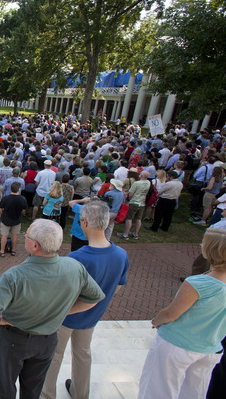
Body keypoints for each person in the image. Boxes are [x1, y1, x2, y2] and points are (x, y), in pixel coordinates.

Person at [0, 219, 105, 399]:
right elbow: (95, 298)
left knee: (3, 389)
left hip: (13, 340)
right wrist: (61, 311)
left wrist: (0, 321)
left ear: (35, 245)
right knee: (33, 390)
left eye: (27, 236)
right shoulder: (74, 268)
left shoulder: (14, 276)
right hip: (47, 342)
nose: (25, 238)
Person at [41, 200, 129, 399]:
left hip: (65, 318)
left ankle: (47, 395)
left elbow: (61, 293)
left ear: (85, 223)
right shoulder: (121, 255)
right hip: (92, 318)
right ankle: (81, 394)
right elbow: (118, 286)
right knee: (83, 355)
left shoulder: (77, 258)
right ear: (106, 223)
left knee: (54, 357)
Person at [137, 228, 226, 399]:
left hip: (178, 345)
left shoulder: (198, 283)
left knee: (158, 390)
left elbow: (171, 313)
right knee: (195, 392)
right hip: (210, 349)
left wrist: (157, 320)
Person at [0, 182, 27, 257]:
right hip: (17, 220)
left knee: (4, 236)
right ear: (19, 189)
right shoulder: (22, 199)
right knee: (15, 235)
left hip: (6, 219)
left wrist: (3, 213)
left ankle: (2, 251)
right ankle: (13, 250)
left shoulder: (5, 198)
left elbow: (0, 209)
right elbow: (23, 210)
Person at [117, 170, 150, 240]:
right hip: (142, 203)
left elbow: (131, 194)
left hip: (134, 202)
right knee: (138, 219)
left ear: (141, 175)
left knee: (129, 218)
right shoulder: (148, 182)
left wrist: (128, 199)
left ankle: (125, 234)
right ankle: (135, 234)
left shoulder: (136, 183)